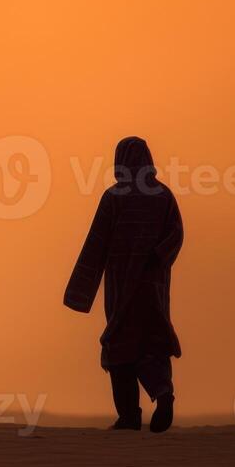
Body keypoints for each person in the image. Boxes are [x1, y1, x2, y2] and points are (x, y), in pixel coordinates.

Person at [63, 137, 183, 433]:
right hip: (153, 288)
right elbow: (176, 234)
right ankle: (164, 395)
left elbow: (96, 246)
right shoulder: (163, 195)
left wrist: (80, 293)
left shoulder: (113, 197)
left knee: (120, 346)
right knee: (153, 343)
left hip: (121, 288)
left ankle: (129, 416)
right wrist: (157, 259)